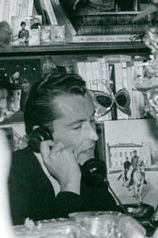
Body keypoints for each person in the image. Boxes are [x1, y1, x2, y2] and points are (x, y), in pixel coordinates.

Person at [8, 70, 119, 224]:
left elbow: (116, 229)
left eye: (92, 120)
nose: (94, 135)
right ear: (41, 136)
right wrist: (70, 185)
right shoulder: (8, 176)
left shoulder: (87, 167)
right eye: (77, 127)